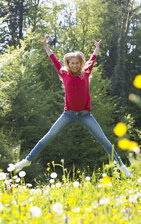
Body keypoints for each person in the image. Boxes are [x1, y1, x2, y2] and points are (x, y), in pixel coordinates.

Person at [14, 35, 131, 177]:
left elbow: (93, 59)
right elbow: (54, 60)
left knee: (103, 139)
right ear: (68, 64)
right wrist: (46, 46)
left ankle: (122, 166)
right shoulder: (64, 74)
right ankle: (27, 160)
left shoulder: (86, 73)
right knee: (49, 136)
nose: (74, 65)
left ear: (81, 64)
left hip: (85, 115)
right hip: (68, 114)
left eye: (77, 63)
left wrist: (97, 48)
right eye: (72, 63)